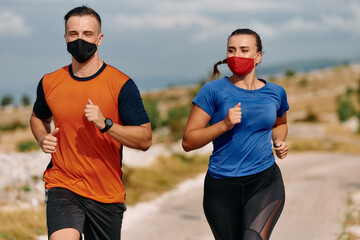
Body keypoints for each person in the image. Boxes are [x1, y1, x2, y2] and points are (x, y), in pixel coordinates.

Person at [30, 6, 152, 240]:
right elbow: (38, 117)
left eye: (87, 34)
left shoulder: (121, 84)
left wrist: (106, 124)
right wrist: (41, 138)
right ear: (65, 37)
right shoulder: (50, 82)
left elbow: (145, 139)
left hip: (106, 192)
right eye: (73, 34)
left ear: (99, 38)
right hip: (63, 183)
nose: (79, 40)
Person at [182, 28, 289, 240]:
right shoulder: (212, 91)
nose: (236, 55)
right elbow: (188, 141)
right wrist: (224, 124)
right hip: (221, 188)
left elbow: (280, 123)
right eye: (231, 50)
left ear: (258, 57)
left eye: (244, 49)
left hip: (264, 182)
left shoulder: (275, 92)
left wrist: (279, 141)